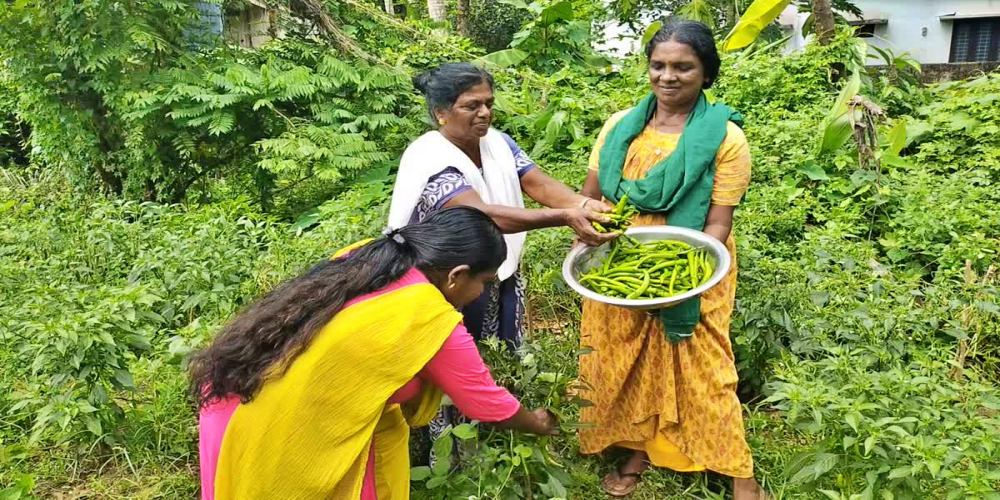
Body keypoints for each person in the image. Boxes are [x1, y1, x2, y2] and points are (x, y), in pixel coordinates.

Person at [190, 207, 558, 500]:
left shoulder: (374, 255)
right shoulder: (428, 315)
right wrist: (539, 423)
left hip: (241, 394)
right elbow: (487, 404)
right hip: (275, 425)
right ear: (456, 276)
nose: (481, 293)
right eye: (485, 282)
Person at [577, 20, 767, 499]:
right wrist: (590, 241)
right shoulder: (621, 126)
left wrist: (682, 285)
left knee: (703, 367)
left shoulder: (724, 138)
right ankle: (640, 450)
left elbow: (719, 222)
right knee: (627, 358)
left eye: (684, 67)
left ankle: (740, 475)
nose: (668, 76)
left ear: (706, 73)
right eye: (658, 65)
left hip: (692, 265)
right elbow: (592, 196)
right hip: (621, 263)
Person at [388, 62, 616, 348]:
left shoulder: (498, 143)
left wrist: (584, 203)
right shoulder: (428, 156)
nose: (485, 113)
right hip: (447, 279)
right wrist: (566, 216)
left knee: (504, 354)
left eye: (488, 103)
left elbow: (538, 184)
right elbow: (481, 216)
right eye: (471, 106)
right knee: (456, 357)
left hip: (493, 268)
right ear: (441, 113)